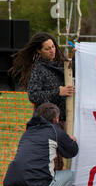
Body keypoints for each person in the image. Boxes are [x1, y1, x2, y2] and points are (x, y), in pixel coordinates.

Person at [0, 102, 79, 186]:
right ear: (56, 119)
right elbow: (72, 152)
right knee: (69, 175)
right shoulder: (55, 131)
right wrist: (72, 141)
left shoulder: (27, 133)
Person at [9, 32, 74, 170]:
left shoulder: (63, 64)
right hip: (48, 123)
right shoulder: (38, 69)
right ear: (39, 51)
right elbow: (33, 95)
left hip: (67, 119)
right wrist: (58, 92)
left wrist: (80, 57)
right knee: (54, 162)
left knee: (69, 157)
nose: (52, 51)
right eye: (47, 49)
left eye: (53, 46)